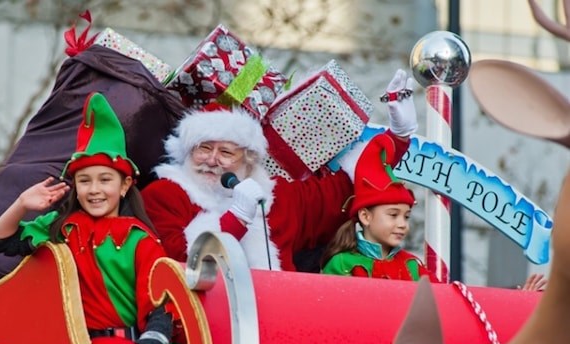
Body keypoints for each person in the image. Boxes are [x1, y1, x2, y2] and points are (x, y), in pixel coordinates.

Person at [0, 92, 188, 344]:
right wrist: (21, 204)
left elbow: (160, 305)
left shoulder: (142, 240)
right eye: (85, 181)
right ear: (75, 187)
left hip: (138, 342)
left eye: (105, 180)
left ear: (125, 185)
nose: (95, 190)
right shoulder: (59, 228)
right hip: (81, 343)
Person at [142, 70, 418, 271]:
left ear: (249, 161)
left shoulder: (279, 198)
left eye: (226, 152)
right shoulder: (165, 194)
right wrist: (235, 218)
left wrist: (398, 137)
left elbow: (346, 188)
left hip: (281, 324)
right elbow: (177, 263)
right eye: (203, 148)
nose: (212, 160)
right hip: (204, 332)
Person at [320, 132, 432, 281]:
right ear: (365, 216)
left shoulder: (413, 266)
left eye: (406, 217)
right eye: (393, 215)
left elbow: (439, 301)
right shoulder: (341, 265)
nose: (402, 224)